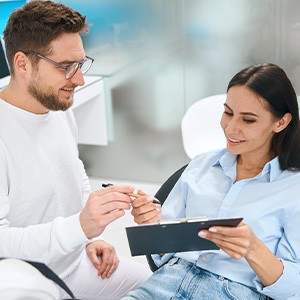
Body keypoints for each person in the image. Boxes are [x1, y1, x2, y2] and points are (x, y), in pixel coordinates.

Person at [0, 1, 153, 299]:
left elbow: (74, 171)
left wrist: (84, 239)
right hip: (27, 281)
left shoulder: (56, 105)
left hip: (75, 264)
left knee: (161, 286)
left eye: (80, 64)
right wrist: (79, 228)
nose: (79, 79)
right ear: (22, 64)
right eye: (66, 67)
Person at [125, 63, 300, 300]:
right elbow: (162, 255)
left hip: (234, 292)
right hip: (167, 282)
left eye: (248, 120)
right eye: (228, 113)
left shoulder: (293, 189)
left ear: (281, 122)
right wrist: (152, 224)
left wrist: (253, 248)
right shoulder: (200, 166)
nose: (231, 128)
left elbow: (294, 289)